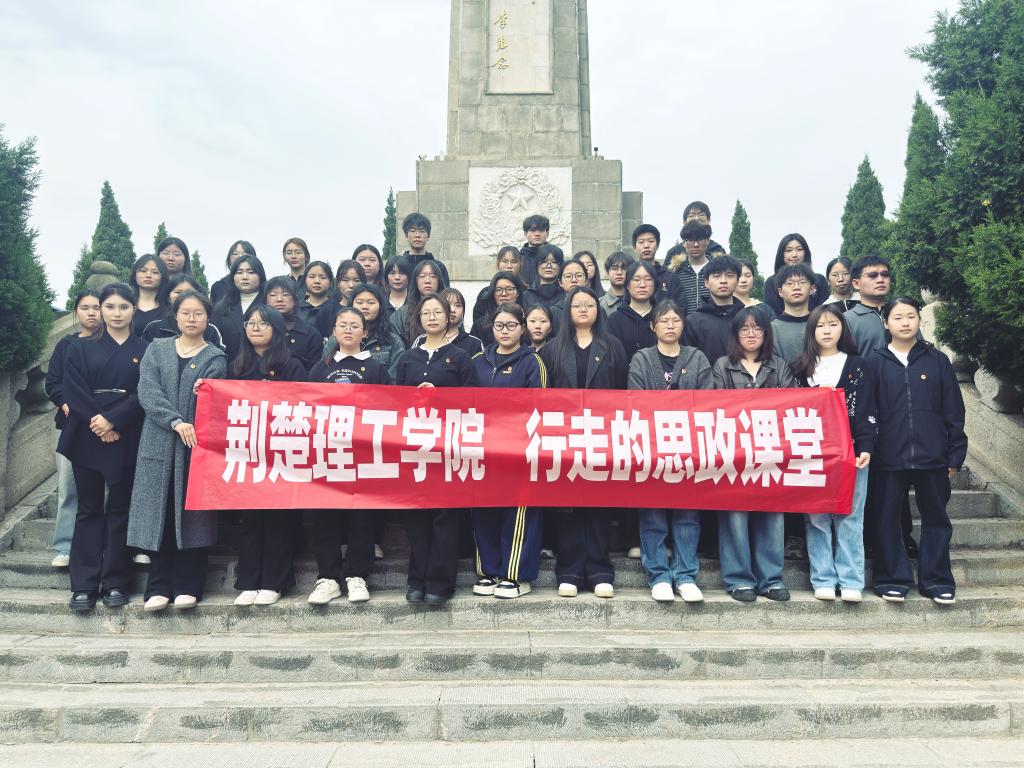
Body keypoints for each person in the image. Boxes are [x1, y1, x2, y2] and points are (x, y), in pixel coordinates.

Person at [861, 297, 967, 605]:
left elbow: (954, 410)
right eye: (897, 317)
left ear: (919, 320)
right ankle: (892, 579)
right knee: (887, 520)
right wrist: (869, 448)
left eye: (910, 316)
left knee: (937, 520)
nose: (905, 322)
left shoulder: (937, 360)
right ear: (886, 323)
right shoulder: (874, 362)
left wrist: (954, 453)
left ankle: (937, 581)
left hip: (932, 456)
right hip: (888, 457)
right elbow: (867, 411)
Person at [127, 290, 226, 611]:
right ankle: (158, 586)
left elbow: (216, 401)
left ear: (207, 318)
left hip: (196, 447)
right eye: (186, 313)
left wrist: (202, 394)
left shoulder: (215, 358)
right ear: (176, 316)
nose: (192, 319)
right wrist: (175, 421)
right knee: (160, 512)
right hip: (158, 441)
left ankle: (188, 585)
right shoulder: (157, 349)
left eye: (198, 313)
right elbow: (148, 390)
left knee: (192, 516)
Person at [59, 283, 149, 612]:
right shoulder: (79, 347)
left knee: (120, 509)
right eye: (109, 307)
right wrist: (98, 421)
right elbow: (73, 389)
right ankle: (83, 585)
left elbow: (145, 391)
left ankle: (115, 582)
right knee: (89, 508)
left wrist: (114, 420)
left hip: (126, 433)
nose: (116, 313)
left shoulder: (146, 349)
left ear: (133, 309)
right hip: (87, 433)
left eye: (123, 307)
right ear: (100, 310)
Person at [540, 286, 627, 599]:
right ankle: (570, 571)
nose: (583, 309)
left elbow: (622, 393)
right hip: (564, 437)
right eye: (576, 305)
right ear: (567, 311)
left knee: (599, 504)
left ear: (598, 309)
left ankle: (600, 570)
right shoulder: (552, 349)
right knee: (569, 507)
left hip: (602, 435)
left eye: (589, 304)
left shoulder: (613, 346)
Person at [306, 306, 392, 606]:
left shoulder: (377, 369)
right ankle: (328, 578)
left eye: (355, 325)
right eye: (342, 324)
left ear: (364, 332)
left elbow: (389, 407)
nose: (348, 329)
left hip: (364, 454)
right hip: (327, 452)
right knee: (325, 514)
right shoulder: (320, 369)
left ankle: (357, 575)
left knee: (362, 515)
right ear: (333, 330)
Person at [395, 293, 476, 605]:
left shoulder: (461, 357)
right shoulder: (408, 358)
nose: (432, 317)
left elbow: (473, 400)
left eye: (437, 312)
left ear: (449, 317)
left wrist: (440, 396)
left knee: (445, 516)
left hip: (448, 446)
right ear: (419, 318)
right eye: (426, 312)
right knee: (417, 515)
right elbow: (395, 402)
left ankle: (440, 584)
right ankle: (417, 579)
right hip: (415, 446)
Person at [628, 300, 711, 602]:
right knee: (653, 513)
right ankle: (659, 575)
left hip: (689, 446)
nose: (671, 325)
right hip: (651, 446)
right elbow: (635, 399)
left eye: (675, 320)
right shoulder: (641, 359)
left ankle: (685, 575)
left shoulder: (697, 357)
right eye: (664, 321)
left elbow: (706, 401)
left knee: (687, 514)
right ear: (653, 326)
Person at [711, 307, 796, 603]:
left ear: (766, 333)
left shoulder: (779, 366)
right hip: (734, 453)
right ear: (735, 335)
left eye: (757, 329)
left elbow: (790, 405)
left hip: (771, 451)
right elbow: (716, 407)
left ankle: (771, 579)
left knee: (772, 515)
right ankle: (738, 579)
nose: (750, 334)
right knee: (734, 516)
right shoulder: (723, 366)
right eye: (744, 329)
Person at [791, 304, 872, 603]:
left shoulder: (858, 365)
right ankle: (823, 577)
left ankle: (851, 580)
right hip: (811, 451)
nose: (827, 330)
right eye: (820, 326)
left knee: (850, 516)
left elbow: (867, 409)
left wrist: (866, 446)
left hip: (851, 451)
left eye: (833, 324)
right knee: (816, 517)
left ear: (843, 329)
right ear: (811, 332)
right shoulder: (800, 368)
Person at [229, 304, 307, 606]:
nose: (255, 328)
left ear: (277, 329)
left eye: (263, 323)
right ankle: (248, 581)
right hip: (246, 451)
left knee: (277, 519)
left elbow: (302, 408)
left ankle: (274, 582)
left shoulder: (292, 366)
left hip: (281, 451)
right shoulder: (236, 366)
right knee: (249, 518)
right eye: (250, 323)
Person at [843, 255, 919, 559]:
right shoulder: (848, 320)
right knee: (869, 479)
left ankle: (903, 536)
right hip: (863, 409)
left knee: (898, 477)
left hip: (901, 408)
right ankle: (869, 539)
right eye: (872, 275)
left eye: (885, 274)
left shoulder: (902, 316)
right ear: (856, 283)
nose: (880, 279)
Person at [471, 303, 547, 599]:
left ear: (522, 329)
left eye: (512, 325)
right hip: (483, 450)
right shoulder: (478, 361)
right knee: (484, 510)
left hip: (519, 451)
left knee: (518, 512)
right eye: (499, 326)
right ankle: (488, 571)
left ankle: (516, 576)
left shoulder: (533, 362)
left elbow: (540, 407)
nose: (505, 331)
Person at [45, 290, 102, 568]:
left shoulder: (112, 344)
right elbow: (53, 382)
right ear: (76, 312)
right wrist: (67, 403)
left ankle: (101, 545)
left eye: (97, 307)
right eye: (85, 307)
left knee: (104, 491)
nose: (91, 312)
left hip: (104, 426)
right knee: (68, 488)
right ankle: (65, 546)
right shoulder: (66, 345)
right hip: (69, 424)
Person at [682, 254, 746, 368]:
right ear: (706, 282)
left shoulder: (747, 319)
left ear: (737, 281)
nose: (723, 281)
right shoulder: (692, 322)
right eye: (716, 276)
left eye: (729, 275)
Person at [141, 274, 225, 349]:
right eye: (178, 292)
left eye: (189, 292)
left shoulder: (210, 330)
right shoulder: (154, 328)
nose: (184, 296)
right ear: (168, 297)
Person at [211, 253, 267, 363]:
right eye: (239, 272)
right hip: (228, 366)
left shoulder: (269, 304)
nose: (245, 277)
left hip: (263, 366)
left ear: (260, 276)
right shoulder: (220, 308)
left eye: (251, 272)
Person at [762, 234, 830, 316]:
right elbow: (771, 315)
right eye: (788, 250)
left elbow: (825, 312)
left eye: (799, 249)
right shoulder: (771, 282)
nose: (794, 255)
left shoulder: (819, 280)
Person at [264, 276, 323, 371]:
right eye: (273, 295)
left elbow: (315, 371)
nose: (279, 299)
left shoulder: (311, 334)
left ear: (295, 300)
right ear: (265, 300)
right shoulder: (256, 330)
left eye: (286, 294)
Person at [349, 284, 405, 379]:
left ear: (380, 307)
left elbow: (394, 379)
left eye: (371, 302)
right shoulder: (339, 337)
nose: (365, 307)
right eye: (359, 302)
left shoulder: (392, 341)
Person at [607, 260, 660, 362]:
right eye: (636, 279)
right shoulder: (614, 321)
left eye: (648, 279)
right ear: (627, 285)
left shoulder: (663, 317)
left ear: (655, 284)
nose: (642, 285)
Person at [390, 258, 448, 346]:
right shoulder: (401, 315)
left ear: (439, 281)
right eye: (422, 276)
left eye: (433, 276)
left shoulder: (449, 310)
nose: (427, 281)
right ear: (415, 281)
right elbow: (397, 347)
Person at [770, 262, 817, 365]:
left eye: (802, 282)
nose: (796, 287)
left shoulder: (821, 324)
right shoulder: (771, 330)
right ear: (780, 292)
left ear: (812, 289)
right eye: (789, 283)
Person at [471, 246, 523, 328]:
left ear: (520, 265)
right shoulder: (485, 294)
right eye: (505, 261)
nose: (509, 266)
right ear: (498, 264)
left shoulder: (526, 293)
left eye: (514, 262)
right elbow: (477, 324)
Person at [471, 271, 527, 346]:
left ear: (518, 293)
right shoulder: (480, 325)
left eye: (509, 289)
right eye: (498, 290)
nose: (504, 294)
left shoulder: (528, 321)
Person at [631, 224, 679, 310]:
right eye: (641, 242)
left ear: (657, 245)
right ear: (634, 247)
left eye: (651, 241)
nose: (646, 245)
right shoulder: (629, 276)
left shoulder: (670, 278)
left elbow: (679, 308)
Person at [672, 221, 714, 316]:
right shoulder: (676, 272)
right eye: (690, 240)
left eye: (700, 239)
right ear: (684, 243)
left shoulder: (716, 270)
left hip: (712, 323)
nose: (695, 245)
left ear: (707, 241)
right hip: (684, 323)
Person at [399, 212, 451, 284]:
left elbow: (445, 291)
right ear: (406, 235)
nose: (417, 235)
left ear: (428, 236)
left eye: (422, 231)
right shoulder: (399, 267)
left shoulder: (439, 267)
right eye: (413, 231)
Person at [128, 254, 169, 337]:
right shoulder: (125, 304)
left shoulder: (169, 309)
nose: (148, 275)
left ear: (163, 277)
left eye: (155, 272)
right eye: (143, 271)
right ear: (135, 276)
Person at [439, 287, 484, 357]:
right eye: (447, 304)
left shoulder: (474, 343)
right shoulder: (425, 340)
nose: (452, 310)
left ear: (463, 312)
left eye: (458, 305)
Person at [211, 240, 256, 305]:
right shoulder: (219, 287)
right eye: (235, 254)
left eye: (245, 254)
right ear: (229, 259)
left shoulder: (263, 287)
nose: (240, 257)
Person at [522, 244, 565, 311]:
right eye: (544, 262)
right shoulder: (526, 295)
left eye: (554, 262)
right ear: (537, 265)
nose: (549, 266)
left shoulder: (565, 293)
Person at [297, 260, 336, 330]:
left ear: (330, 282)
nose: (317, 281)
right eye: (312, 277)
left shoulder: (336, 309)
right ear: (305, 281)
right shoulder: (296, 308)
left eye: (323, 277)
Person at [519, 214, 550, 287]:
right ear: (525, 234)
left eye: (541, 230)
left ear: (547, 233)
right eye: (533, 230)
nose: (537, 234)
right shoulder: (518, 258)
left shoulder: (555, 257)